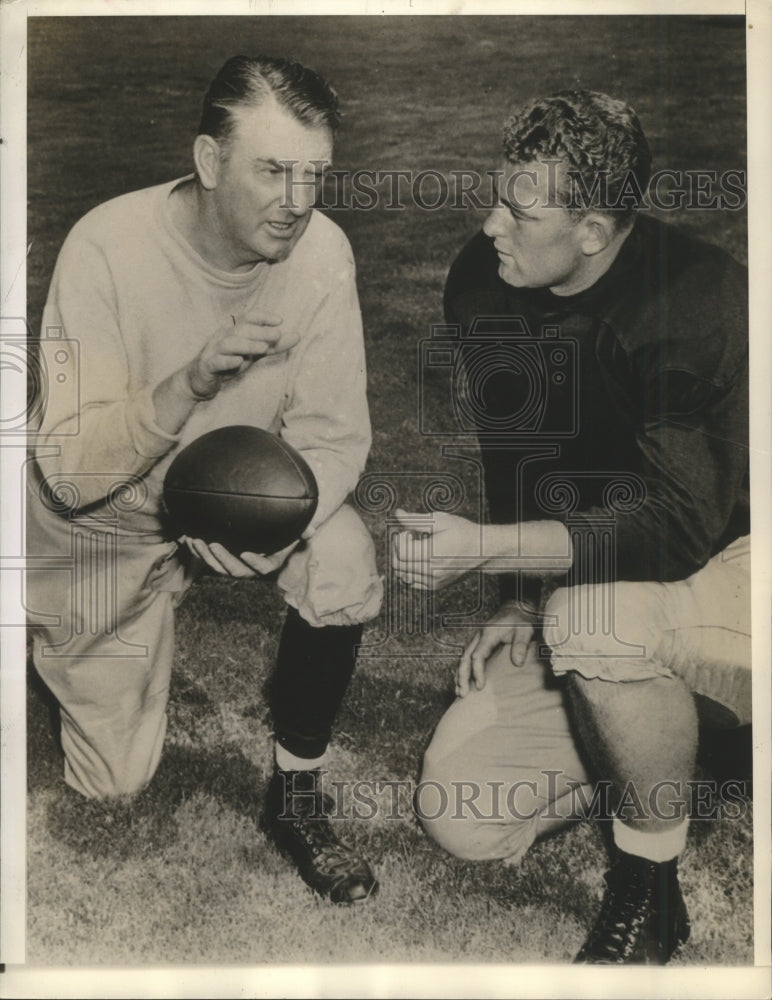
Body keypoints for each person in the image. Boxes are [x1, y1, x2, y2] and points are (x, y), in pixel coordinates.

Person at [393, 90, 750, 962]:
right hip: (622, 567)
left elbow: (674, 528)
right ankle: (675, 751)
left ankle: (648, 883)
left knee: (590, 621)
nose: (491, 226)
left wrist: (483, 550)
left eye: (520, 209)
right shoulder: (489, 280)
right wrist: (515, 599)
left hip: (736, 554)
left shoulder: (697, 302)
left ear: (593, 229)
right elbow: (521, 456)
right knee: (461, 810)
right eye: (497, 196)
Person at [27, 55, 383, 905]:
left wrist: (278, 527)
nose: (297, 199)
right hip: (99, 521)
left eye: (314, 174)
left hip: (230, 499)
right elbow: (71, 472)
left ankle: (295, 797)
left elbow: (334, 439)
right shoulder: (104, 246)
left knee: (343, 554)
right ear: (210, 160)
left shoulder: (323, 253)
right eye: (272, 169)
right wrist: (186, 385)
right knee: (113, 783)